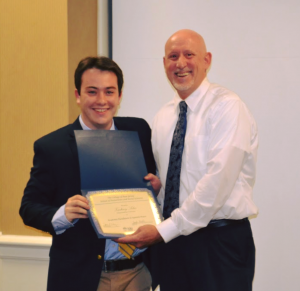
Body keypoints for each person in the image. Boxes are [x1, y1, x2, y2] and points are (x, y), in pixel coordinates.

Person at [116, 29, 259, 291]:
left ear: (207, 60)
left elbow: (216, 185)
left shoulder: (228, 107)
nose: (180, 63)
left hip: (219, 244)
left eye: (189, 54)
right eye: (173, 56)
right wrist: (157, 192)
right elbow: (173, 180)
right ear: (164, 64)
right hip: (174, 243)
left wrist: (162, 231)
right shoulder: (163, 117)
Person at [19, 56, 159, 291]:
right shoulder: (53, 147)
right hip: (83, 278)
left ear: (120, 96)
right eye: (92, 92)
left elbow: (150, 188)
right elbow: (28, 208)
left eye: (109, 91)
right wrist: (62, 213)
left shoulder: (139, 131)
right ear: (78, 95)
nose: (102, 100)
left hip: (138, 273)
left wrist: (156, 189)